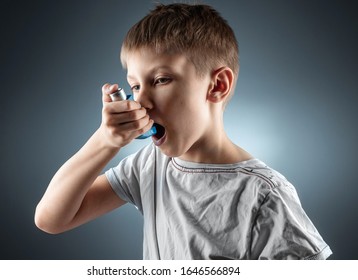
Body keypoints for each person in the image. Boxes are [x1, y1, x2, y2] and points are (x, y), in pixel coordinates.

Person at [35, 3, 332, 260]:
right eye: (135, 85)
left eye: (161, 80)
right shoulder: (149, 165)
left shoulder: (264, 195)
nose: (140, 101)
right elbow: (51, 219)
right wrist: (105, 141)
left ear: (217, 86)